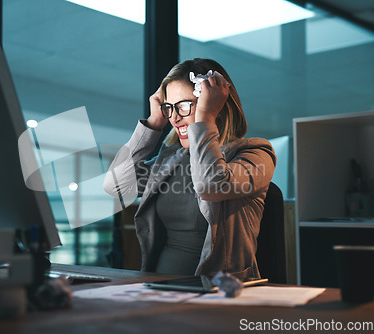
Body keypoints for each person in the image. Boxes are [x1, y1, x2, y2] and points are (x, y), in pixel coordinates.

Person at [103, 58, 276, 280]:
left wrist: (204, 119)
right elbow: (115, 185)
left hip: (219, 293)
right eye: (169, 108)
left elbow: (211, 186)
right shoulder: (170, 159)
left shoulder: (255, 153)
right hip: (160, 287)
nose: (174, 118)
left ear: (216, 105)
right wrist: (154, 122)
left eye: (184, 106)